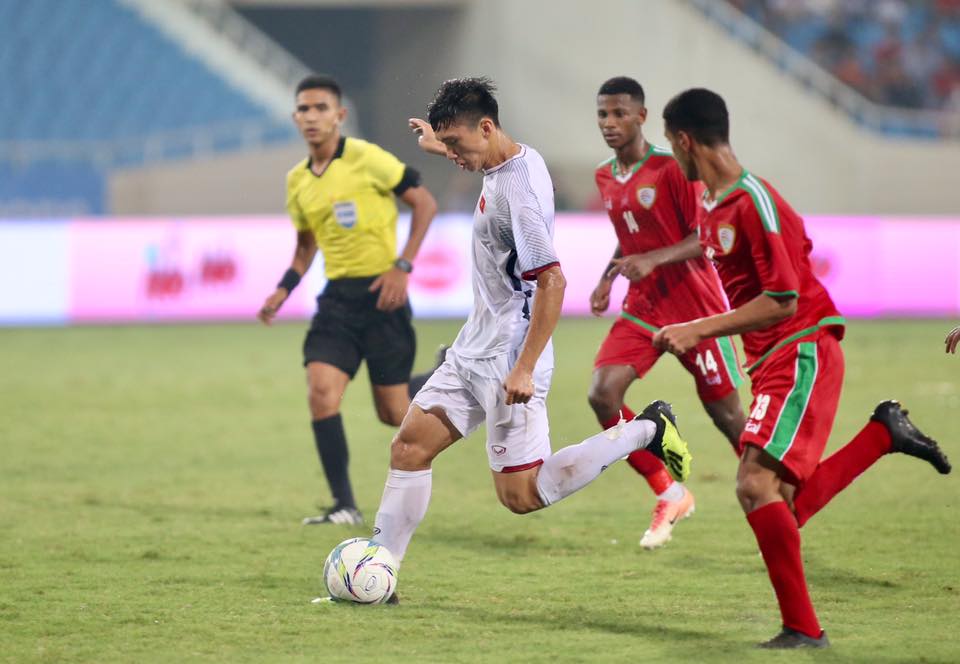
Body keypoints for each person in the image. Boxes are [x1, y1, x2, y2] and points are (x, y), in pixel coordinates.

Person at [369, 77, 693, 596]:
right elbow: (480, 155)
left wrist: (524, 367)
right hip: (473, 345)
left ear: (487, 128)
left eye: (456, 144)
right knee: (408, 448)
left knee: (520, 495)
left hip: (509, 356)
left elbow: (553, 280)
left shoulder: (517, 193)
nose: (453, 155)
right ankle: (378, 575)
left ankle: (644, 430)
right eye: (448, 145)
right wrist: (442, 142)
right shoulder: (510, 157)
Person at [654, 88, 952, 648]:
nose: (673, 155)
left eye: (671, 144)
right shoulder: (712, 203)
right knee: (777, 501)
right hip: (769, 357)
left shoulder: (756, 201)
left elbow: (784, 297)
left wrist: (698, 329)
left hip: (802, 346)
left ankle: (803, 629)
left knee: (753, 484)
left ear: (685, 140)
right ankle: (882, 435)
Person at [258, 74, 441, 526]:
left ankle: (443, 375)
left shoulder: (366, 158)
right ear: (295, 117)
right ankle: (344, 505)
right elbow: (306, 246)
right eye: (304, 109)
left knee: (393, 413)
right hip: (338, 302)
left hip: (382, 297)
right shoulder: (298, 180)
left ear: (339, 115)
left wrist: (402, 265)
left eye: (321, 108)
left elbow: (424, 204)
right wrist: (283, 288)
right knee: (321, 393)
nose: (312, 116)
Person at [589, 76, 747, 549]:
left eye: (619, 113)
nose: (610, 123)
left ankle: (778, 497)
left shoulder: (672, 169)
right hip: (644, 307)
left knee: (728, 417)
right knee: (603, 395)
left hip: (695, 311)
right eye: (602, 114)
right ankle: (669, 492)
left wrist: (653, 259)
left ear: (641, 116)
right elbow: (631, 235)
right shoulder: (605, 176)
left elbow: (705, 236)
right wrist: (607, 278)